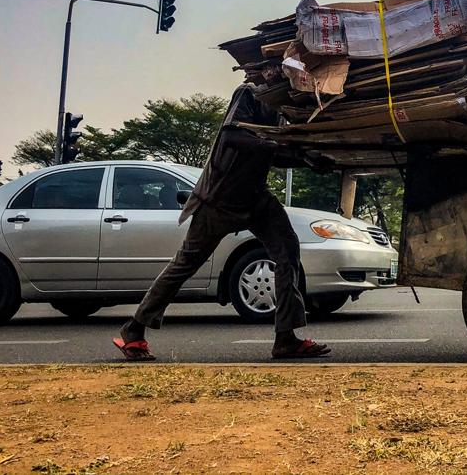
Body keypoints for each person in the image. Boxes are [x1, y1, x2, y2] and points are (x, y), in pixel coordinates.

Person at [113, 82, 331, 361]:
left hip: (255, 197)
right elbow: (230, 137)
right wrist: (278, 144)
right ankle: (134, 328)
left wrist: (309, 160)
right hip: (219, 197)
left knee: (287, 251)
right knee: (185, 264)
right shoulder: (250, 93)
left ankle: (286, 337)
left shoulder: (280, 110)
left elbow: (275, 155)